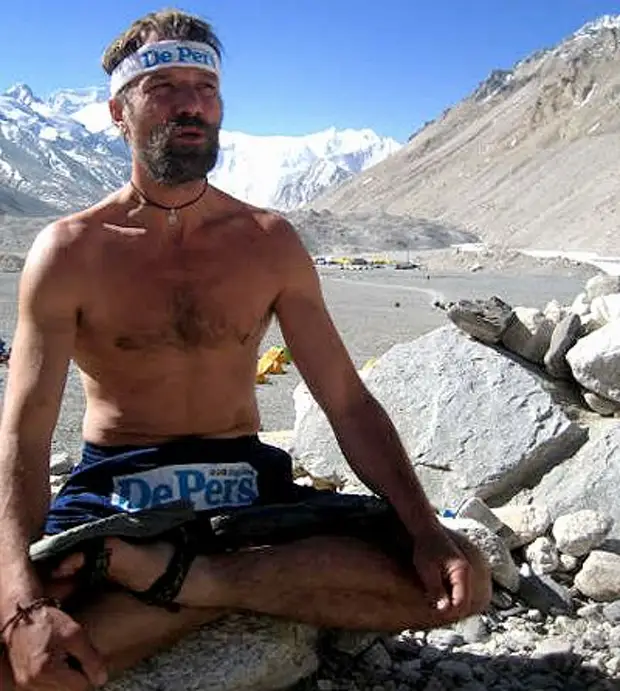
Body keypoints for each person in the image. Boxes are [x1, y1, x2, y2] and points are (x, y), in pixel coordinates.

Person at [0, 9, 491, 690]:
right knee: (17, 665)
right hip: (118, 493)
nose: (191, 104)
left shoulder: (267, 242)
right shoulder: (70, 252)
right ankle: (241, 585)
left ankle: (184, 581)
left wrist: (424, 527)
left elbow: (346, 401)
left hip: (246, 485)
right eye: (163, 87)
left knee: (463, 578)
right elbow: (25, 434)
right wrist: (21, 600)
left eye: (205, 87)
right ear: (118, 112)